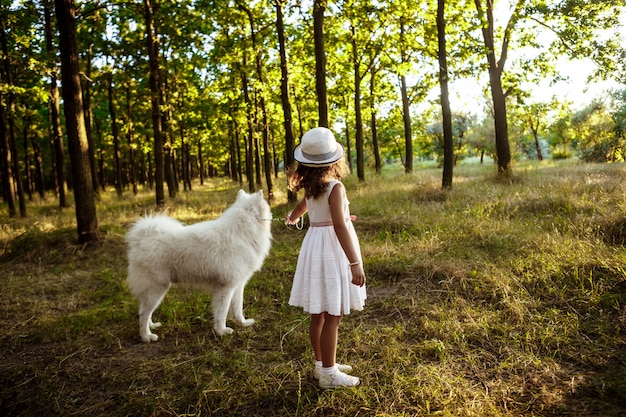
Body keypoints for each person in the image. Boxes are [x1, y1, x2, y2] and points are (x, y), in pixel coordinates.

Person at [286, 127, 367, 389]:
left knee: (318, 313)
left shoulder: (311, 186)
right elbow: (341, 226)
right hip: (332, 250)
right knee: (333, 314)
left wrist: (294, 216)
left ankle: (322, 365)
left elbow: (303, 206)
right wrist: (355, 262)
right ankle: (329, 375)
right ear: (333, 159)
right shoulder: (335, 186)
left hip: (314, 247)